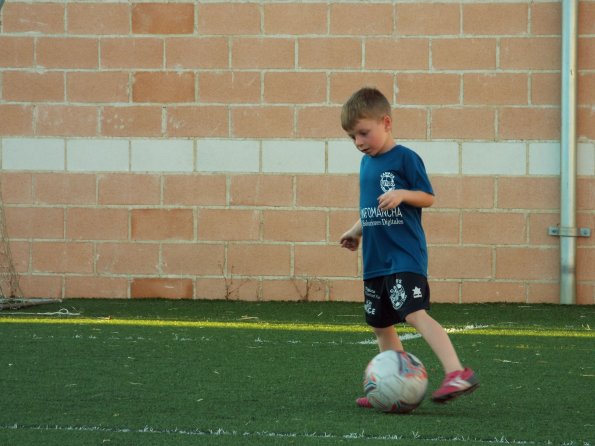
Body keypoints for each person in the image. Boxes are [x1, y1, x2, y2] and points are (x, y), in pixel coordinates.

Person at [339, 87, 479, 405]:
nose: (359, 142)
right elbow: (372, 209)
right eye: (352, 137)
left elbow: (427, 197)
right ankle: (393, 383)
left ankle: (457, 372)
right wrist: (356, 231)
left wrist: (403, 194)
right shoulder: (366, 165)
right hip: (376, 260)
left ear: (386, 123)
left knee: (414, 314)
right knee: (380, 324)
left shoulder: (405, 158)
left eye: (363, 133)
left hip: (404, 257)